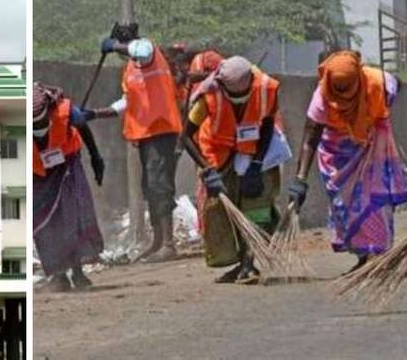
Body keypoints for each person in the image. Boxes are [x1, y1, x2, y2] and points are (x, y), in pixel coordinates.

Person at [289, 50, 407, 274]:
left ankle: (378, 257)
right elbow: (310, 138)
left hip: (374, 154)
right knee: (346, 208)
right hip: (338, 160)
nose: (342, 94)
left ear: (359, 78)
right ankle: (363, 258)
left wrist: (378, 116)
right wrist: (300, 179)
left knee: (376, 204)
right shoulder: (321, 96)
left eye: (347, 87)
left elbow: (396, 84)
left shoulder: (376, 81)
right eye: (338, 89)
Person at [182, 56, 287, 284]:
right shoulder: (208, 96)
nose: (239, 102)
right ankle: (240, 263)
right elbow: (185, 137)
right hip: (219, 156)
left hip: (256, 150)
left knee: (256, 207)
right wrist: (207, 171)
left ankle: (249, 263)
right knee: (223, 211)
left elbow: (268, 125)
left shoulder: (266, 89)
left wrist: (257, 165)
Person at [83, 25, 183, 263]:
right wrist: (95, 114)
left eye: (120, 48)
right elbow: (127, 101)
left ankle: (168, 244)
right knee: (149, 187)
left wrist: (114, 44)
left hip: (162, 130)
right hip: (146, 134)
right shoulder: (131, 68)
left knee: (160, 186)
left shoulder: (148, 53)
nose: (119, 53)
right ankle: (158, 242)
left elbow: (142, 48)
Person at [33, 82, 105, 291]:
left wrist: (95, 157)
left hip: (66, 167)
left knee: (72, 217)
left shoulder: (66, 111)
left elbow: (83, 126)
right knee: (45, 224)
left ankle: (78, 272)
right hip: (38, 175)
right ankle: (58, 274)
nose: (39, 129)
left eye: (41, 123)